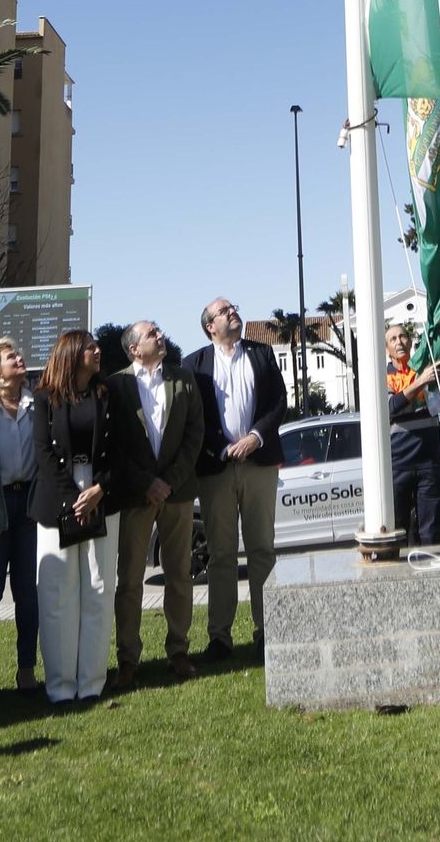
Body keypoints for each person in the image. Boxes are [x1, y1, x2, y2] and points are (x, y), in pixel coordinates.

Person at [31, 327, 142, 705]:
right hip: (57, 497)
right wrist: (72, 500)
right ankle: (60, 686)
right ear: (72, 353)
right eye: (91, 347)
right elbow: (43, 454)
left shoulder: (106, 393)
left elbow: (124, 451)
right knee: (57, 592)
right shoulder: (45, 397)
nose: (98, 352)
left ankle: (91, 681)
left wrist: (98, 490)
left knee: (97, 587)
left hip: (100, 495)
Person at [184, 300, 287, 660]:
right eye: (224, 310)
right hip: (216, 469)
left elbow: (279, 402)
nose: (233, 312)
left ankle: (267, 632)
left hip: (259, 462)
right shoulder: (193, 365)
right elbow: (193, 418)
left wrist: (255, 436)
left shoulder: (262, 353)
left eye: (233, 307)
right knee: (221, 555)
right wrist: (224, 448)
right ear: (210, 326)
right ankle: (220, 638)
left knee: (262, 550)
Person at [109, 318, 205, 686]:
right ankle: (128, 658)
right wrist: (146, 482)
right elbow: (114, 444)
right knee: (130, 580)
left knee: (180, 575)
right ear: (134, 349)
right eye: (152, 334)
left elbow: (194, 433)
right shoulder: (116, 385)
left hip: (177, 493)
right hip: (136, 496)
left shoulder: (183, 379)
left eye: (159, 331)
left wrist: (169, 481)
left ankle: (178, 650)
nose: (160, 336)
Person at [0, 337, 40, 700]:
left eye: (18, 352)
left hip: (28, 507)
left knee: (27, 594)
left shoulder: (37, 405)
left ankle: (26, 669)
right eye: (10, 356)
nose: (19, 357)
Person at [386, 321, 440, 546]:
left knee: (431, 531)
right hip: (398, 463)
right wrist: (421, 382)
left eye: (402, 336)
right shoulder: (384, 376)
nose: (399, 342)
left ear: (411, 342)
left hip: (428, 461)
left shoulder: (424, 368)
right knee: (398, 530)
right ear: (387, 349)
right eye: (392, 339)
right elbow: (391, 407)